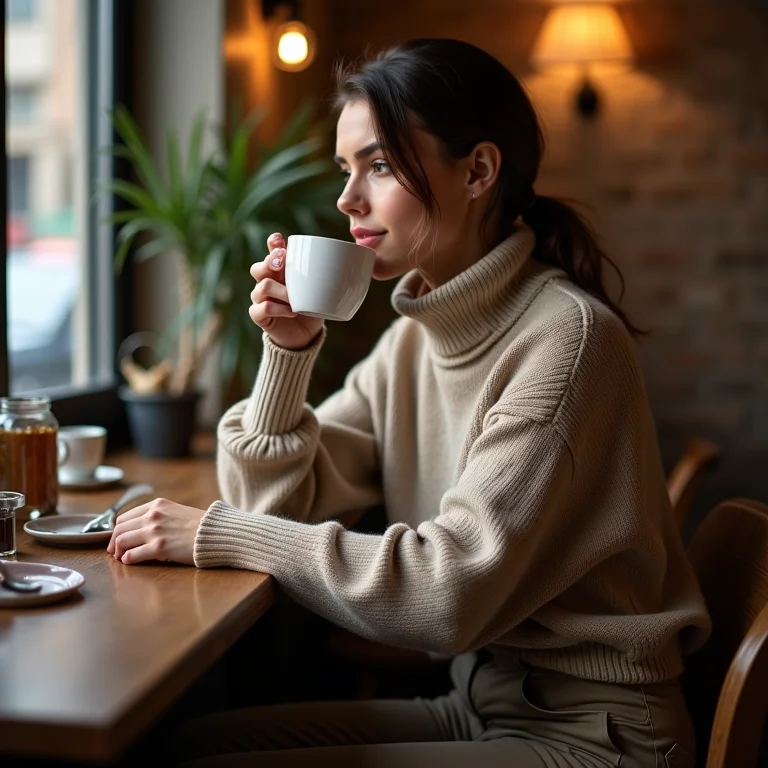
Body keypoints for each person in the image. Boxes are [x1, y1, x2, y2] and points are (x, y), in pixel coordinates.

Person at [107, 38, 711, 767]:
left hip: (599, 737)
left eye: (381, 165)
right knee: (190, 746)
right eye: (345, 168)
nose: (346, 197)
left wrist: (218, 533)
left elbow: (445, 595)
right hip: (483, 704)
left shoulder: (567, 342)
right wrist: (287, 353)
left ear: (479, 170)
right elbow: (274, 508)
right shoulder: (414, 341)